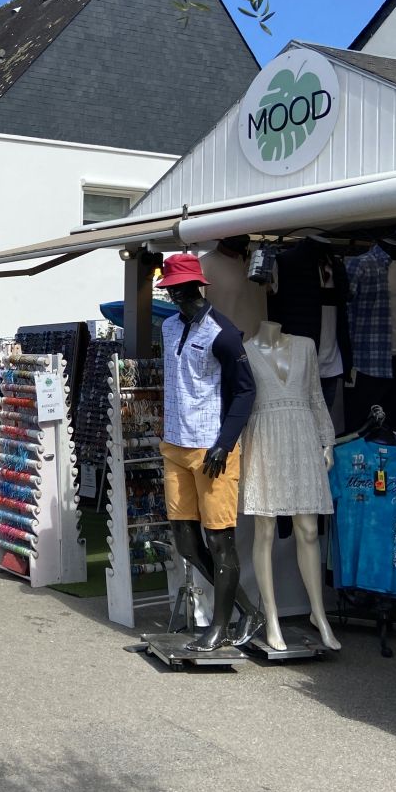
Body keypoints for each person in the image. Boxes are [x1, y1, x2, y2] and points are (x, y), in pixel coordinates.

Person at [156, 254, 262, 652]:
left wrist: (225, 442)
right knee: (185, 540)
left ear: (194, 286)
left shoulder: (224, 332)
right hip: (174, 443)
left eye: (179, 288)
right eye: (170, 289)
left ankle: (220, 626)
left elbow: (246, 390)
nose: (175, 295)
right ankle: (248, 610)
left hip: (210, 448)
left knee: (220, 541)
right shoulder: (168, 327)